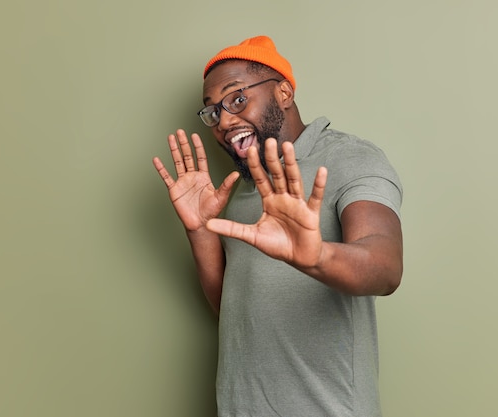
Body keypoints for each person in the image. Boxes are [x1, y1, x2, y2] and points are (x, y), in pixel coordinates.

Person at [153, 35, 403, 417]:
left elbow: (385, 267)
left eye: (237, 99)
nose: (225, 121)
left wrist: (316, 256)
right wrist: (200, 229)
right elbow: (235, 311)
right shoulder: (240, 190)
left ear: (284, 91)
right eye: (213, 112)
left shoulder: (349, 157)